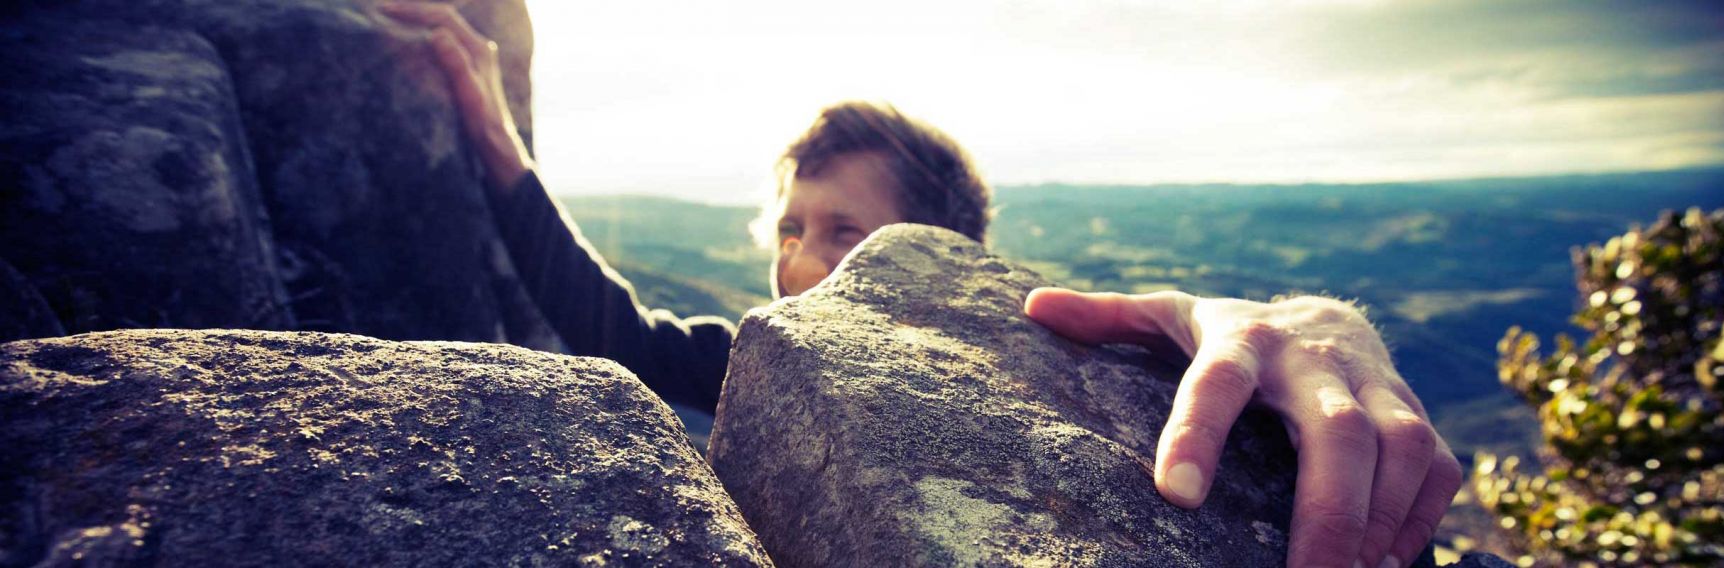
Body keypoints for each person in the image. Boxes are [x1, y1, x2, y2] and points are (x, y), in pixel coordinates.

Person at [380, 4, 1463, 567]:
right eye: (791, 225)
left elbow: (1181, 341)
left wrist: (1309, 327)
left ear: (942, 250)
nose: (799, 259)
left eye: (845, 229)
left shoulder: (1041, 349)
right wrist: (499, 146)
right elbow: (611, 323)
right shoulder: (765, 368)